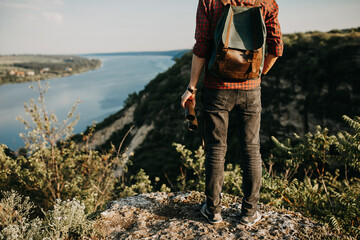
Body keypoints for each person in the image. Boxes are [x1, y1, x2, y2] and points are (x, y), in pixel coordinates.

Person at [181, 0, 283, 226]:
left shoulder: (209, 1)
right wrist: (256, 75)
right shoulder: (266, 2)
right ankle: (249, 213)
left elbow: (202, 46)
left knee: (216, 149)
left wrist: (191, 88)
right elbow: (276, 48)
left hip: (217, 88)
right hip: (251, 90)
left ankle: (214, 210)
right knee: (251, 148)